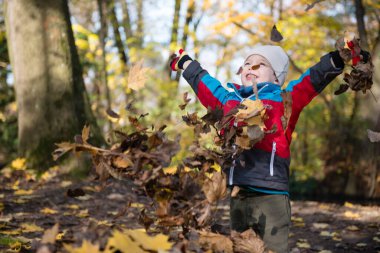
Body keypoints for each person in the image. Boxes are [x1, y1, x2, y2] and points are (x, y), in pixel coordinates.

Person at [170, 45, 349, 252]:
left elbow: (312, 80)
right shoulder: (231, 102)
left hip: (271, 196)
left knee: (271, 249)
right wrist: (187, 64)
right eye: (246, 63)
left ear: (276, 77)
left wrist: (338, 58)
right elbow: (207, 85)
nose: (250, 66)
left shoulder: (284, 100)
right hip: (238, 193)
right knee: (241, 247)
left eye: (260, 64)